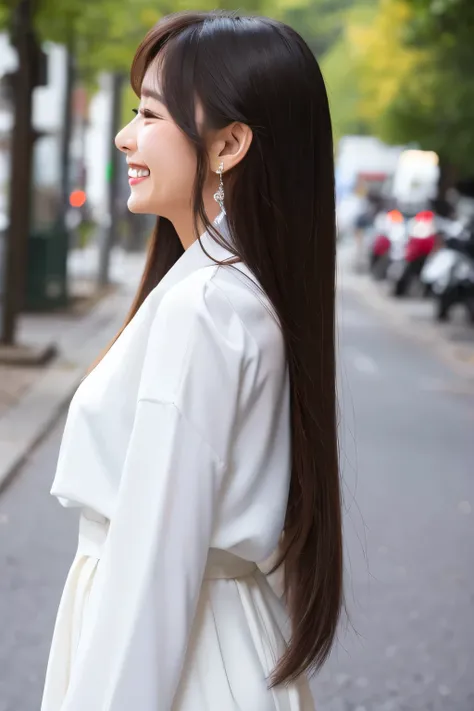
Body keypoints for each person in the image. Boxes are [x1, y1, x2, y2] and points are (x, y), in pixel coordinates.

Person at [41, 11, 343, 711]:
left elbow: (154, 565)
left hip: (179, 664)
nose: (125, 136)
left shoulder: (201, 308)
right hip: (220, 648)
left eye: (148, 113)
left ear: (230, 143)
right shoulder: (231, 293)